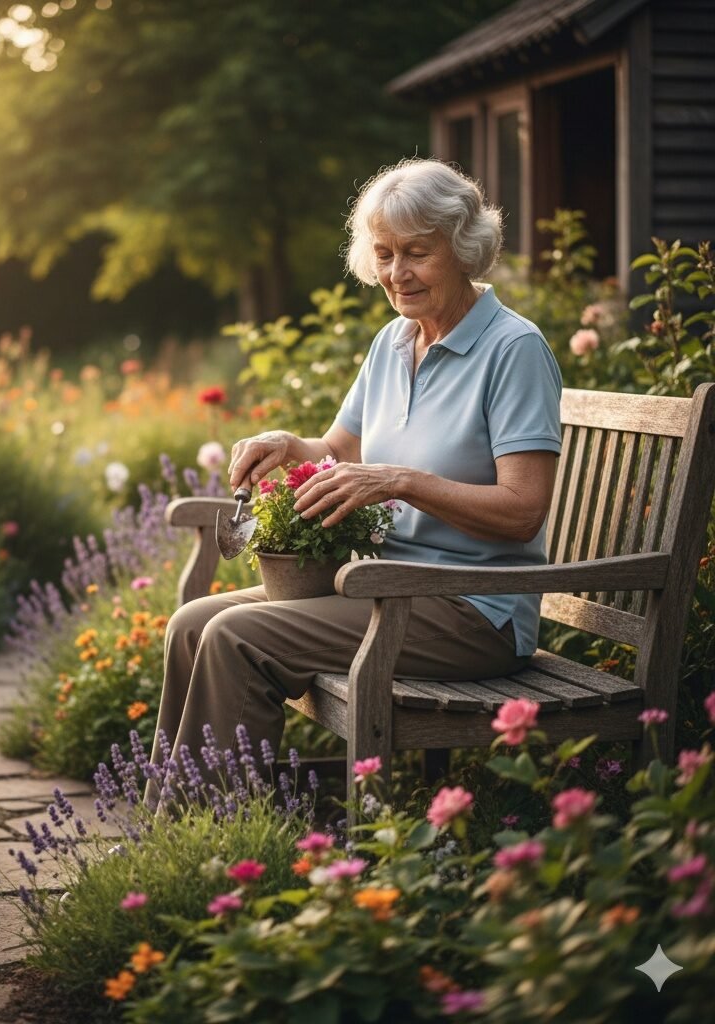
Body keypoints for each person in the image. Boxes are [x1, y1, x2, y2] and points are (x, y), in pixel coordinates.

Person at [149, 157, 562, 795]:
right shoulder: (394, 342)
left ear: (463, 249)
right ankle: (172, 832)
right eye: (385, 254)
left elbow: (524, 509)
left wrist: (400, 481)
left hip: (474, 611)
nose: (398, 273)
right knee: (191, 625)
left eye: (417, 253)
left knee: (234, 637)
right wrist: (290, 445)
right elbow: (337, 449)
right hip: (383, 590)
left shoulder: (513, 349)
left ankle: (209, 839)